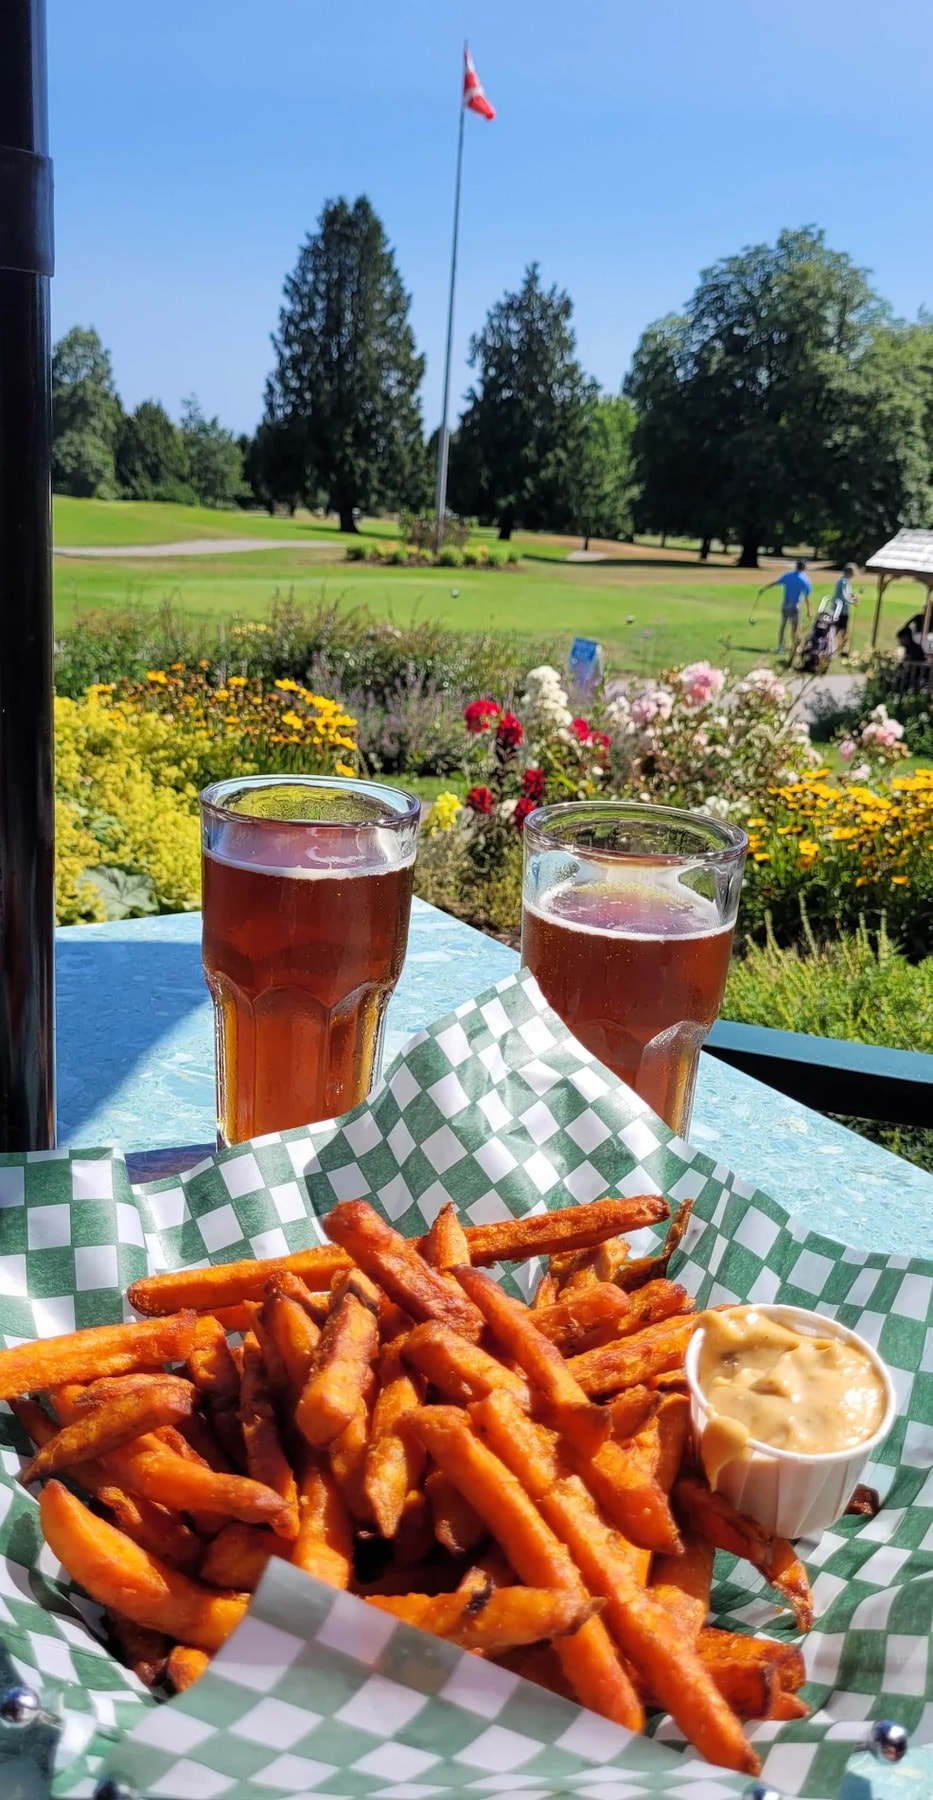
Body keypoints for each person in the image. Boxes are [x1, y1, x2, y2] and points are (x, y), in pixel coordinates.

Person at [756, 559, 812, 658]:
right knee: (795, 628)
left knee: (783, 626)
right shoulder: (804, 579)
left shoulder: (788, 575)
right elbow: (807, 596)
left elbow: (776, 582)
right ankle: (795, 647)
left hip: (786, 604)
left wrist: (764, 588)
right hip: (796, 605)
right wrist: (809, 610)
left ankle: (781, 646)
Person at [830, 563, 860, 657]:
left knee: (841, 630)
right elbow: (843, 596)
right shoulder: (843, 582)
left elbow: (847, 594)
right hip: (840, 611)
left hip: (842, 610)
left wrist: (853, 596)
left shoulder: (846, 582)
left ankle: (841, 648)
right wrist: (852, 601)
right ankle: (837, 648)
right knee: (839, 630)